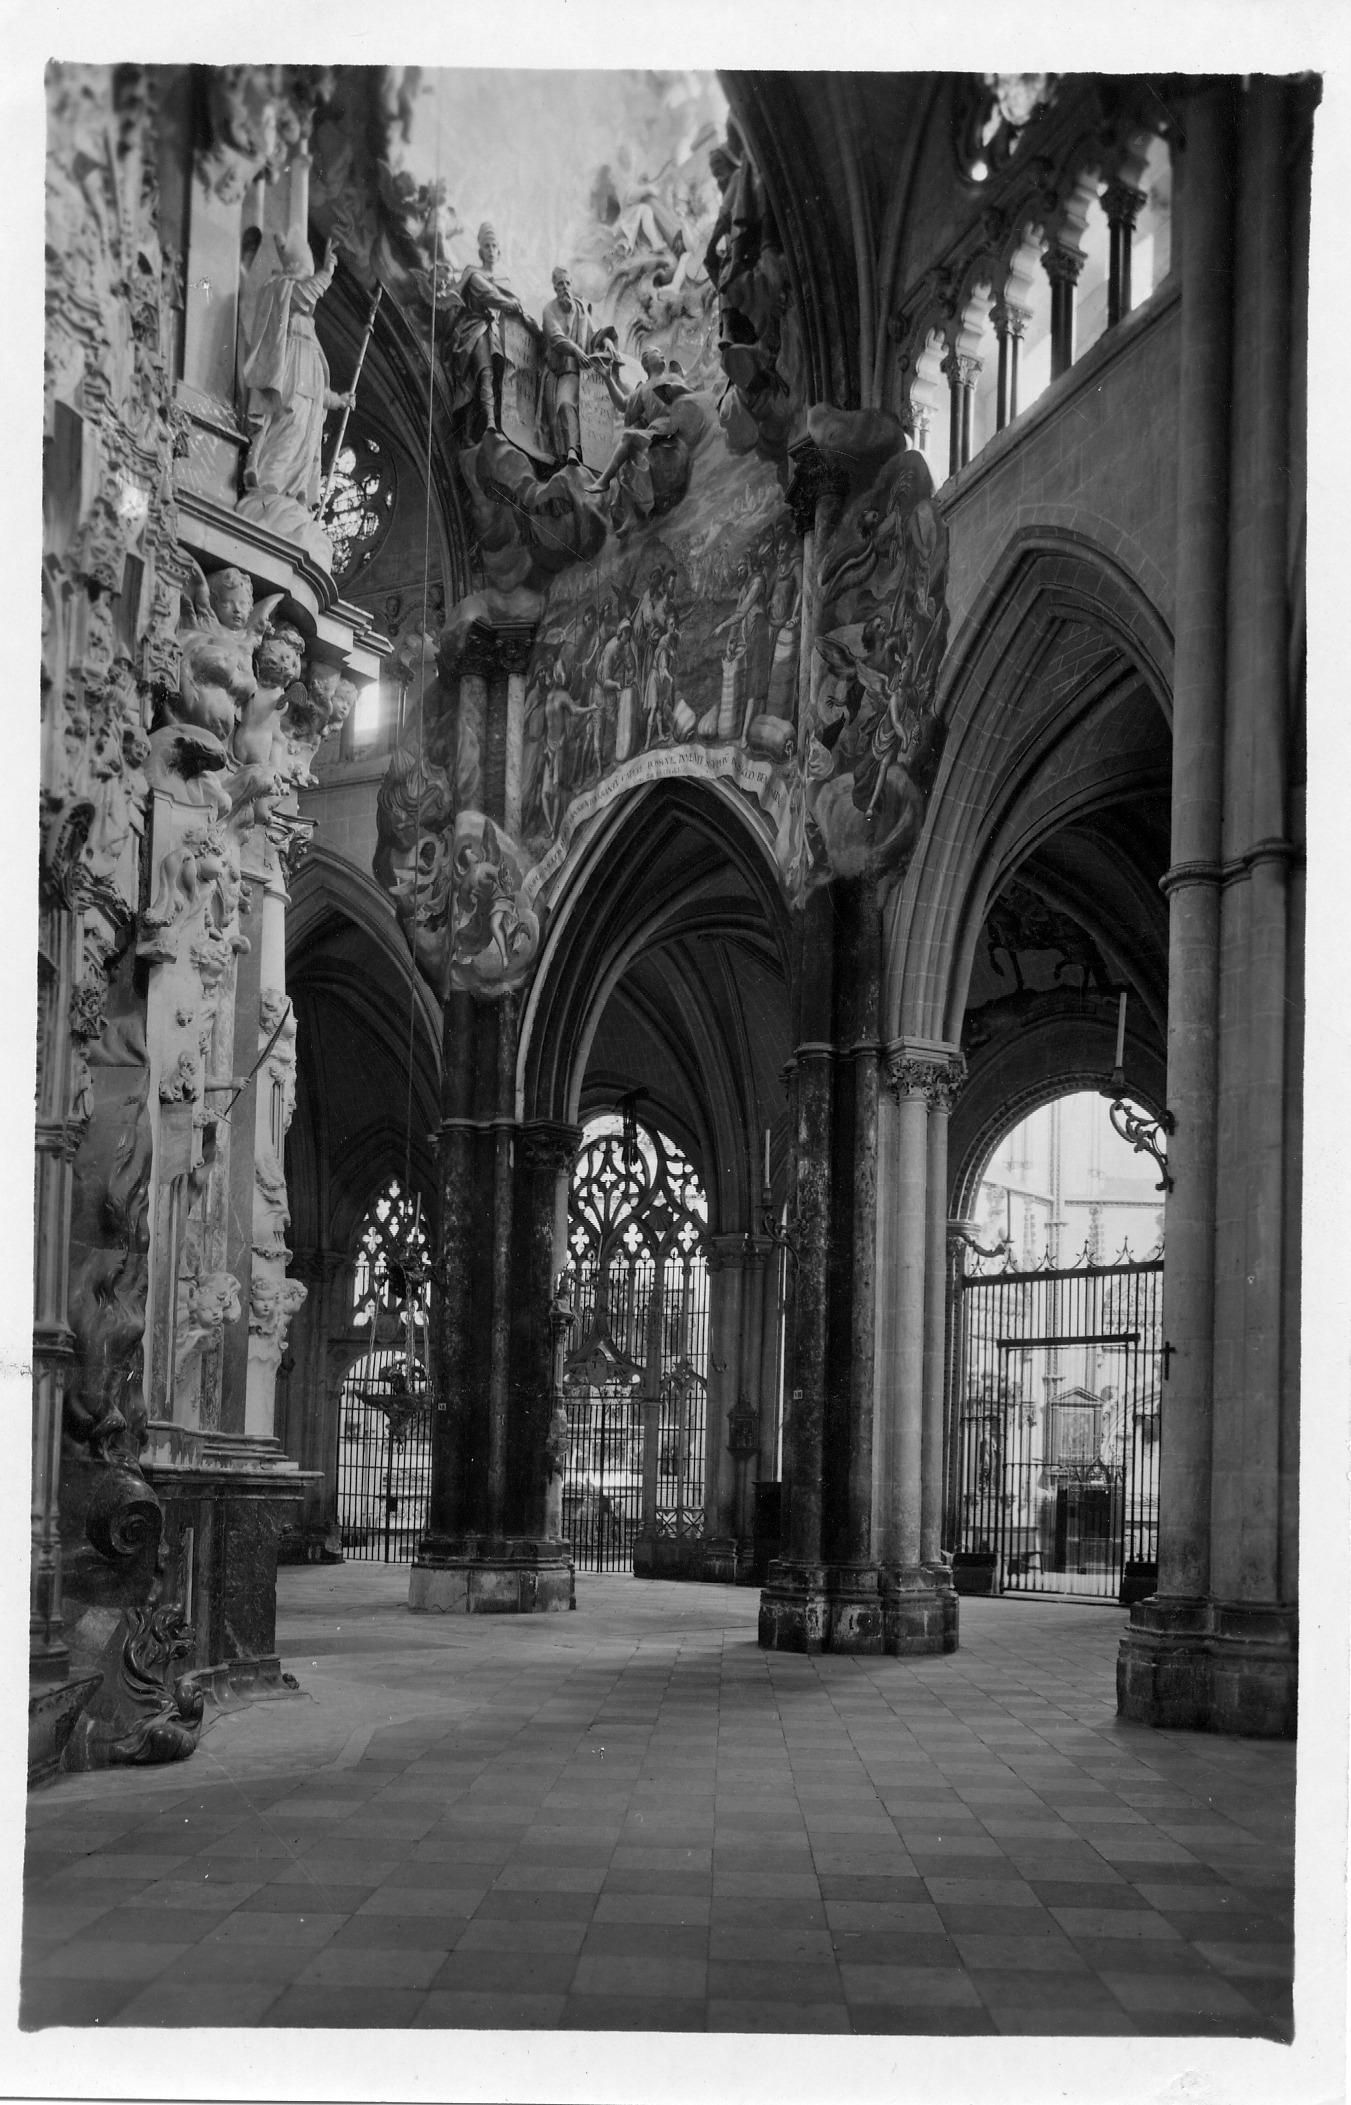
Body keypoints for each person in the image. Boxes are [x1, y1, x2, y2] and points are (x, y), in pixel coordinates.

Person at [240, 234, 353, 515]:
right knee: (287, 432)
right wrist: (326, 273)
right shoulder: (279, 291)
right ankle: (267, 491)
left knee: (303, 438)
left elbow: (317, 386)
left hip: (307, 394)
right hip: (289, 384)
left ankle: (287, 497)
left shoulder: (308, 327)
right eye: (306, 277)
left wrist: (337, 399)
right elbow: (304, 293)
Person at [449, 222, 525, 442]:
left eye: (494, 246)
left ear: (499, 250)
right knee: (485, 372)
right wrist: (509, 304)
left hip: (496, 333)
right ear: (480, 250)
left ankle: (490, 423)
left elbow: (512, 305)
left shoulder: (505, 281)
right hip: (475, 330)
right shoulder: (473, 274)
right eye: (486, 246)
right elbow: (488, 296)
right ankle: (490, 422)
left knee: (500, 376)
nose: (491, 251)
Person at [539, 264, 615, 467]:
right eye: (560, 284)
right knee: (565, 404)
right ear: (554, 287)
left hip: (586, 372)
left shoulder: (581, 308)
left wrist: (606, 340)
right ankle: (572, 450)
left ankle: (594, 455)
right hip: (565, 372)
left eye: (567, 283)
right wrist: (575, 350)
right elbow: (555, 337)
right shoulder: (550, 310)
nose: (564, 287)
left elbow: (594, 332)